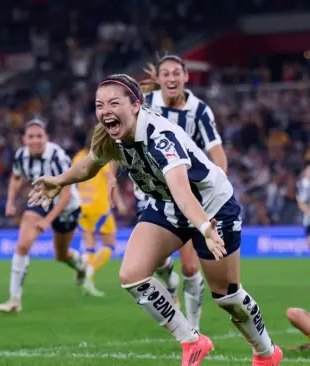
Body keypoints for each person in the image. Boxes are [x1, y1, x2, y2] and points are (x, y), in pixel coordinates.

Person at [28, 74, 283, 366]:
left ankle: (267, 353)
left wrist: (203, 228)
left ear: (135, 105)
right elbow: (89, 165)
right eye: (99, 105)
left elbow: (183, 190)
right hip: (167, 205)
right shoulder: (111, 134)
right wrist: (58, 181)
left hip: (212, 208)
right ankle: (192, 341)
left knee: (227, 297)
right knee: (131, 275)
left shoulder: (160, 137)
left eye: (114, 103)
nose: (105, 110)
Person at [138, 55, 228, 331]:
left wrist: (217, 187)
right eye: (166, 74)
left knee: (190, 268)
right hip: (150, 194)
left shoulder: (199, 111)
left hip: (183, 195)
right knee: (153, 263)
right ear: (159, 79)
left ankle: (193, 330)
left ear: (186, 76)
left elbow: (218, 154)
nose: (171, 78)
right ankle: (169, 280)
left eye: (177, 73)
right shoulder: (145, 105)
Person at [0, 119, 85, 313]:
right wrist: (10, 202)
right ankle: (14, 300)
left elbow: (67, 193)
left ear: (47, 138)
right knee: (22, 245)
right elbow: (16, 177)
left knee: (61, 255)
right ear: (24, 139)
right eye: (31, 136)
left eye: (39, 136)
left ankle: (80, 265)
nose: (35, 140)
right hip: (40, 201)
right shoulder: (21, 156)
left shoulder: (58, 157)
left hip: (66, 207)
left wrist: (48, 220)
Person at [72, 133, 128, 297]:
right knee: (109, 245)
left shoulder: (77, 157)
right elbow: (111, 180)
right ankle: (89, 270)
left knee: (89, 246)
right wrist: (120, 202)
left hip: (82, 206)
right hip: (99, 207)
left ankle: (87, 278)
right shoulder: (101, 156)